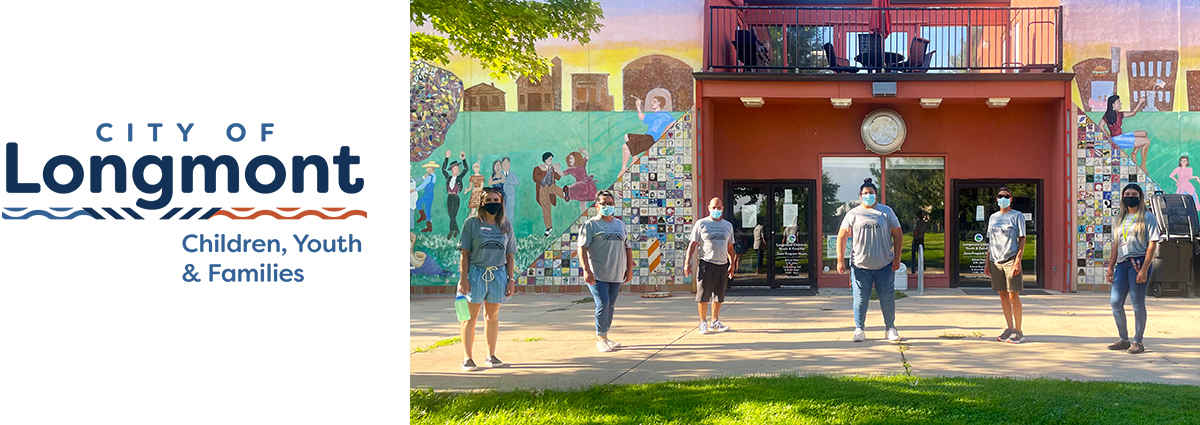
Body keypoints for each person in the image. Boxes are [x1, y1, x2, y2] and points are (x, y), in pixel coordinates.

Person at [457, 187, 518, 371]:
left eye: (496, 200)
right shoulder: (472, 224)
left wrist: (511, 279)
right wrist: (464, 278)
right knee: (470, 317)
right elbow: (464, 254)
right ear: (482, 203)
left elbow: (510, 255)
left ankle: (491, 355)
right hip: (475, 274)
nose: (493, 203)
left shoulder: (506, 225)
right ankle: (467, 357)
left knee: (492, 316)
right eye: (489, 200)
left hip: (498, 274)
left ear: (502, 203)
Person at [836, 178, 903, 343]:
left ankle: (890, 328)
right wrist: (840, 260)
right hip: (860, 267)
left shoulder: (886, 212)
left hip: (884, 266)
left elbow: (898, 234)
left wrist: (897, 259)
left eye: (871, 193)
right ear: (860, 196)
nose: (868, 196)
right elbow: (842, 237)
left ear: (876, 195)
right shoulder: (853, 214)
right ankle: (859, 329)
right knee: (860, 300)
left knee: (887, 298)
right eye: (865, 193)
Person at [1104, 184, 1160, 355]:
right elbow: (1115, 245)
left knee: (1137, 303)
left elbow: (1152, 245)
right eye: (1127, 194)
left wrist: (1144, 269)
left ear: (1140, 196)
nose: (1130, 197)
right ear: (1122, 196)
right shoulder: (1119, 219)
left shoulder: (1147, 217)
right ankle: (1123, 339)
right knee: (1115, 301)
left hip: (1138, 263)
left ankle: (1138, 342)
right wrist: (1110, 267)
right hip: (1122, 264)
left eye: (1134, 194)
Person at [578, 190, 634, 352]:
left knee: (610, 305)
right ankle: (600, 338)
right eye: (604, 204)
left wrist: (629, 269)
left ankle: (606, 336)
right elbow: (582, 248)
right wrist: (586, 270)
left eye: (610, 204)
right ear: (597, 206)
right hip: (598, 273)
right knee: (603, 303)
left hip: (616, 273)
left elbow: (628, 247)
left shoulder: (619, 225)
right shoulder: (590, 225)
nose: (607, 206)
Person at [685, 197, 736, 335]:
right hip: (706, 264)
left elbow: (730, 246)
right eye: (714, 207)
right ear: (708, 208)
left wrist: (732, 263)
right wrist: (687, 262)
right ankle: (702, 322)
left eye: (719, 208)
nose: (716, 210)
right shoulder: (701, 224)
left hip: (722, 264)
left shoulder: (728, 226)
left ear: (723, 209)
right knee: (703, 295)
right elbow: (693, 244)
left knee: (719, 295)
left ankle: (715, 320)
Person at [985, 186, 1027, 344]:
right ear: (997, 199)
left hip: (1010, 258)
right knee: (1002, 294)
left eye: (1006, 196)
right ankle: (1009, 327)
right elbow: (990, 241)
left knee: (1013, 295)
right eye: (1000, 195)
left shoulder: (1017, 216)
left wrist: (1018, 260)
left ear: (1011, 199)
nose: (1003, 198)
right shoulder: (993, 218)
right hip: (995, 260)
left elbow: (1022, 239)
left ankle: (1018, 330)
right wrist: (987, 261)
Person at [621, 96, 674, 173]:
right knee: (627, 136)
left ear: (659, 103)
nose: (652, 103)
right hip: (647, 136)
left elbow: (673, 122)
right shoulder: (653, 115)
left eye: (654, 101)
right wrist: (638, 106)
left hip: (651, 139)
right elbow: (641, 116)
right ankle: (635, 157)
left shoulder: (664, 114)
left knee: (625, 146)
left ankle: (623, 168)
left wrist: (664, 132)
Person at [1101, 95, 1152, 170]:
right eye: (1118, 102)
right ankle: (1143, 165)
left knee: (1143, 133)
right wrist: (1109, 138)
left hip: (1121, 136)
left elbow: (1133, 113)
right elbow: (1101, 126)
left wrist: (1140, 103)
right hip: (1118, 140)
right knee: (1147, 141)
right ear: (1113, 105)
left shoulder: (1119, 114)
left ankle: (1134, 153)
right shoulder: (1107, 116)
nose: (1120, 104)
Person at [533, 152, 566, 237]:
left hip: (550, 186)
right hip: (542, 189)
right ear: (546, 159)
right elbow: (535, 178)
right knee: (546, 208)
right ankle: (549, 227)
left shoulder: (552, 168)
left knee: (554, 188)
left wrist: (558, 169)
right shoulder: (538, 168)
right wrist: (545, 170)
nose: (551, 160)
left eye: (552, 159)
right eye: (550, 159)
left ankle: (564, 194)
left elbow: (558, 177)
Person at [562, 148, 598, 216]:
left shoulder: (581, 164)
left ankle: (567, 192)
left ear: (576, 159)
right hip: (581, 187)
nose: (569, 160)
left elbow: (587, 156)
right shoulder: (571, 169)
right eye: (569, 159)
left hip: (585, 184)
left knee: (576, 188)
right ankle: (584, 215)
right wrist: (557, 169)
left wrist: (584, 151)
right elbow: (562, 174)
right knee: (582, 203)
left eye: (571, 158)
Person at [442, 150, 469, 239]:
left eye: (457, 169)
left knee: (453, 214)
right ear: (452, 170)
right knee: (451, 214)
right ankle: (455, 229)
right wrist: (446, 158)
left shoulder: (459, 177)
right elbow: (443, 169)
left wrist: (464, 159)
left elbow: (466, 169)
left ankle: (452, 230)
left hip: (456, 197)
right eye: (455, 168)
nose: (457, 170)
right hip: (449, 197)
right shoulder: (448, 177)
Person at [412, 161, 439, 233]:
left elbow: (423, 185)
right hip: (430, 195)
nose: (427, 169)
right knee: (427, 209)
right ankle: (429, 226)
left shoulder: (429, 177)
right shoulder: (434, 176)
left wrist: (414, 190)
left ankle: (423, 216)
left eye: (428, 168)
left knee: (418, 203)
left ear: (432, 168)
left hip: (427, 195)